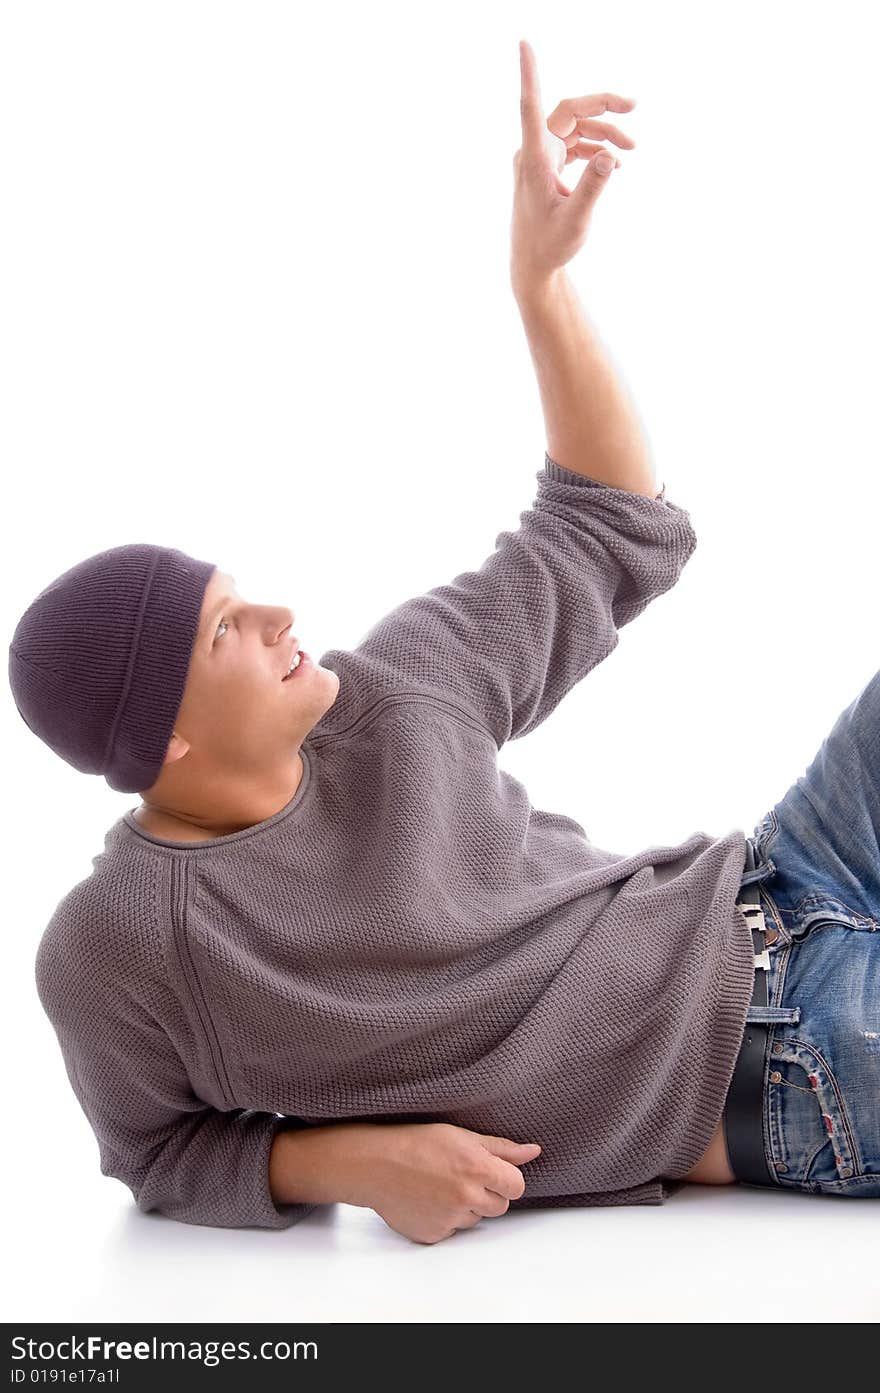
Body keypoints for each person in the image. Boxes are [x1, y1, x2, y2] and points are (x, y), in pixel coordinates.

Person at [9, 42, 876, 1249]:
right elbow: (153, 1152)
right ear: (167, 733)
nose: (277, 618)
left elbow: (604, 523)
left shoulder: (387, 691)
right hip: (782, 1072)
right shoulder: (122, 944)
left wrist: (541, 287)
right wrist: (346, 1161)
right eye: (227, 629)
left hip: (778, 884)